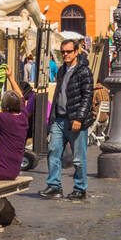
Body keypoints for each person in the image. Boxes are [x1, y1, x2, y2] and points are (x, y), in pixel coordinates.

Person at [39, 37, 94, 203]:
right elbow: (59, 94)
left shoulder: (84, 71)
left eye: (69, 51)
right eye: (63, 52)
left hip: (75, 120)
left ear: (76, 52)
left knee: (78, 158)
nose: (65, 54)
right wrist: (53, 116)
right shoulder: (62, 70)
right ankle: (54, 186)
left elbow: (87, 97)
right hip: (59, 119)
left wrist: (79, 117)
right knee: (53, 152)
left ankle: (80, 188)